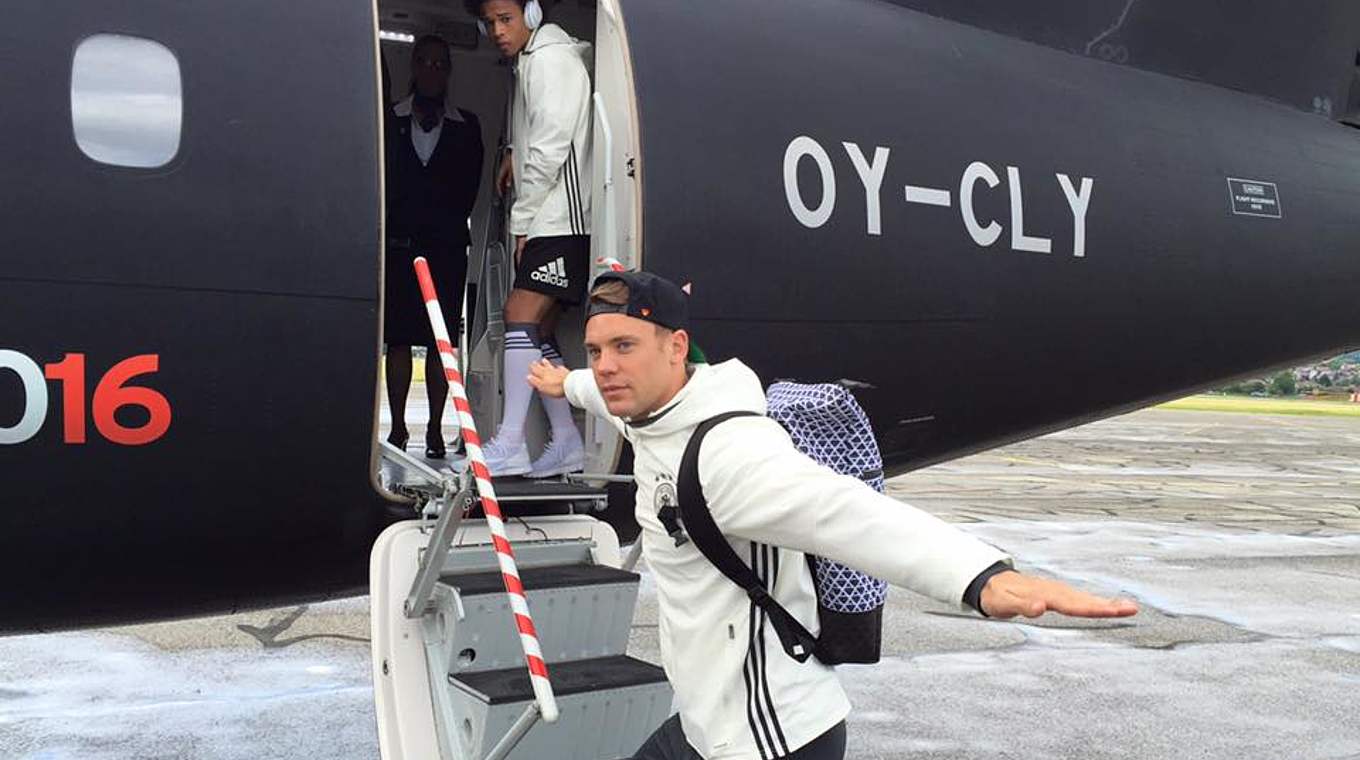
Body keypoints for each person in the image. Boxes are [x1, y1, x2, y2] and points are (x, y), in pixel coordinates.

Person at [529, 272, 1139, 760]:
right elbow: (601, 392)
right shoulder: (646, 412)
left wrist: (980, 577)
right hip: (705, 727)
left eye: (625, 347)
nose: (606, 365)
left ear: (677, 346)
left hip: (768, 737)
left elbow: (846, 514)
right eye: (596, 349)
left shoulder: (727, 454)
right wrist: (564, 383)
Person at [466, 0, 593, 477]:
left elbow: (551, 145)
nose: (497, 31)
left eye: (506, 19)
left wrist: (522, 220)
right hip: (551, 216)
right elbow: (537, 135)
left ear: (533, 15)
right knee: (536, 329)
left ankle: (512, 443)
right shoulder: (533, 61)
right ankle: (565, 441)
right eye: (490, 22)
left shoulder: (552, 61)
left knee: (518, 313)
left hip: (561, 220)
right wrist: (513, 153)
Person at [384, 35, 484, 459]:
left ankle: (435, 431)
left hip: (445, 248)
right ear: (413, 67)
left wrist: (441, 221)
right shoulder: (390, 118)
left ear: (448, 71)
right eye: (423, 61)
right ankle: (399, 428)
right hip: (400, 246)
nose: (431, 70)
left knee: (441, 340)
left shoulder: (468, 125)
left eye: (439, 63)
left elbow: (470, 190)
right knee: (399, 339)